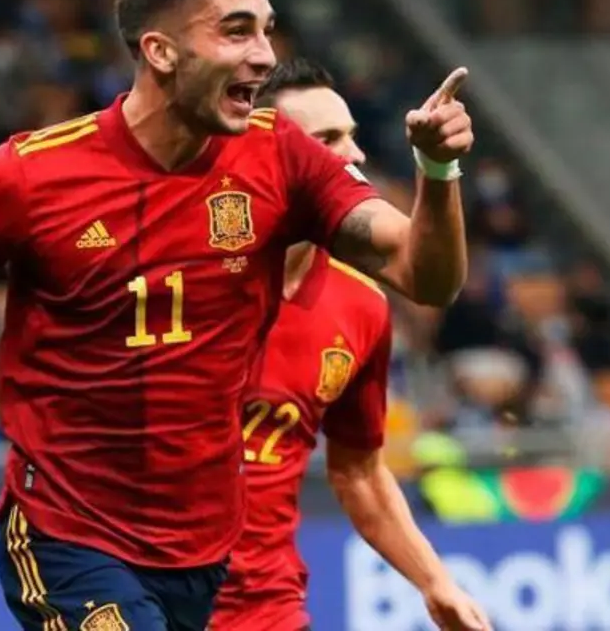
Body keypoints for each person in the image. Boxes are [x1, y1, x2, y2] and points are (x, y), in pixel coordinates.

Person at [0, 0, 472, 631]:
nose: (263, 54)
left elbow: (423, 277)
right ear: (160, 51)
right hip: (66, 535)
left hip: (203, 552)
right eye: (236, 30)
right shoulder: (22, 178)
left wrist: (437, 174)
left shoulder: (281, 156)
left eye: (266, 28)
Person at [209, 58, 490, 631]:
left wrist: (435, 583)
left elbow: (359, 471)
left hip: (266, 609)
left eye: (352, 136)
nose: (354, 156)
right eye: (327, 140)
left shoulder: (360, 307)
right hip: (139, 592)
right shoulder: (176, 277)